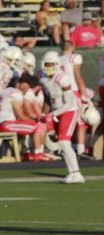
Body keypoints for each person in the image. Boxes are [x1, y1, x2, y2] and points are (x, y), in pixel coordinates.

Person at [41, 51, 84, 183]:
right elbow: (47, 98)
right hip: (56, 111)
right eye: (46, 64)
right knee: (60, 142)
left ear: (57, 64)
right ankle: (72, 173)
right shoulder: (42, 77)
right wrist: (45, 113)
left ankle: (77, 174)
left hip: (69, 110)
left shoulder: (62, 78)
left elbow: (70, 103)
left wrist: (53, 114)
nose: (48, 67)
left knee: (64, 142)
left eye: (51, 64)